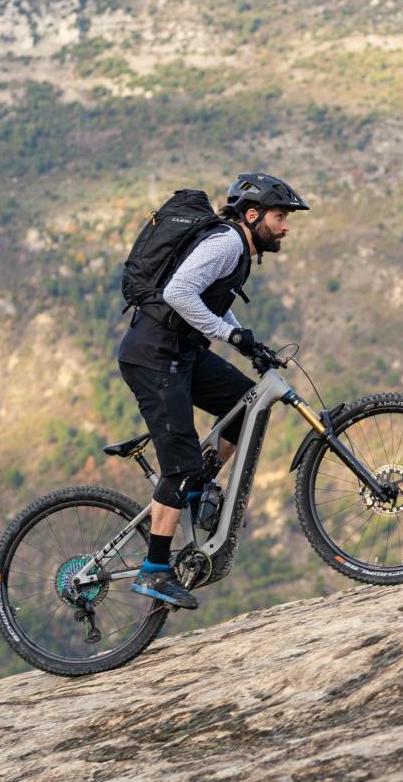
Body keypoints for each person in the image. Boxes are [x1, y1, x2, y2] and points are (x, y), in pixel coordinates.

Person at [118, 172, 309, 609]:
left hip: (181, 351)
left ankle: (199, 484)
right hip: (153, 355)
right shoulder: (227, 242)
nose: (285, 227)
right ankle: (154, 571)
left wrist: (248, 343)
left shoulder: (239, 248)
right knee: (179, 464)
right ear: (254, 214)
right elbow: (179, 292)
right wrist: (229, 334)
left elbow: (207, 301)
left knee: (245, 406)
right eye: (280, 217)